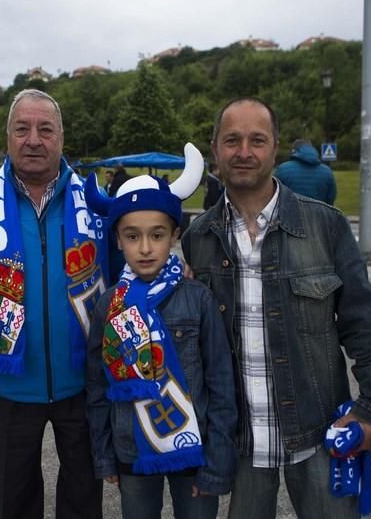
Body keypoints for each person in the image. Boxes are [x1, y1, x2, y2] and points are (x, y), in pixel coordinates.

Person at [181, 97, 371, 519]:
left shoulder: (325, 226)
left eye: (256, 140)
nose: (243, 152)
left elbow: (364, 325)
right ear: (215, 150)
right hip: (242, 439)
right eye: (232, 140)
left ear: (275, 147)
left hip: (319, 432)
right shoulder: (198, 237)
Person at [0, 89, 111, 519]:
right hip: (9, 384)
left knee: (83, 498)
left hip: (82, 381)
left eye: (45, 129)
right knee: (16, 500)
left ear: (61, 139)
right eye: (22, 129)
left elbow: (128, 272)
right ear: (8, 137)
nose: (33, 139)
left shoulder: (95, 201)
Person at [84, 154, 238, 519]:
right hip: (132, 450)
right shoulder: (109, 305)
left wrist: (217, 459)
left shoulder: (197, 297)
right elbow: (95, 387)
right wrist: (105, 456)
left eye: (157, 235)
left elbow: (220, 382)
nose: (146, 248)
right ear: (118, 241)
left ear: (175, 235)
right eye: (132, 236)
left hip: (193, 448)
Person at [275, 139, 337, 205]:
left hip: (289, 213)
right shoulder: (327, 171)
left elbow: (274, 196)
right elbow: (330, 198)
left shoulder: (283, 169)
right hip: (319, 213)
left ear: (294, 151)